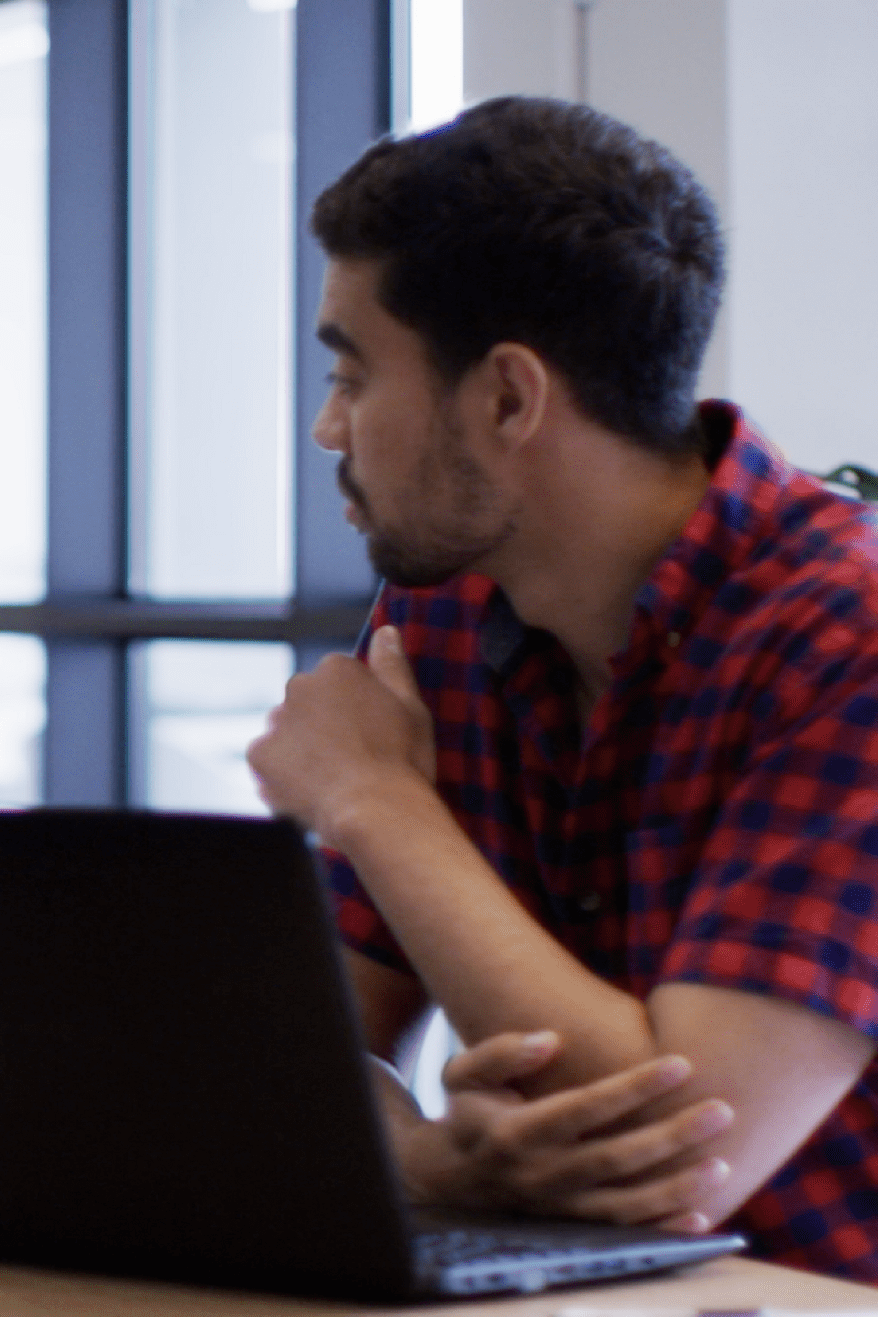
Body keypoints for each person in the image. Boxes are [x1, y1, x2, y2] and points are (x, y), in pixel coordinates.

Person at [248, 96, 878, 1279]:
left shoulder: (850, 635)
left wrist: (375, 804)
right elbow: (278, 1063)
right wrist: (436, 1163)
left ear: (505, 399)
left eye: (352, 374)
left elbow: (683, 1154)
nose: (331, 427)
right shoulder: (441, 610)